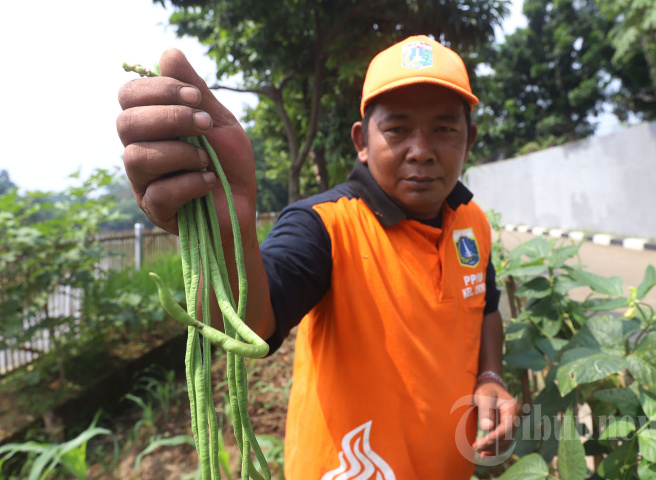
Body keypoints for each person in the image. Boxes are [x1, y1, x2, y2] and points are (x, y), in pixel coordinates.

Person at [117, 35, 519, 479]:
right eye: (397, 129)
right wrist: (227, 234)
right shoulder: (323, 225)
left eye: (444, 129)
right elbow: (250, 323)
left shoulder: (471, 221)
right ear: (361, 141)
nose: (421, 151)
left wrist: (491, 376)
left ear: (469, 139)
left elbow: (486, 306)